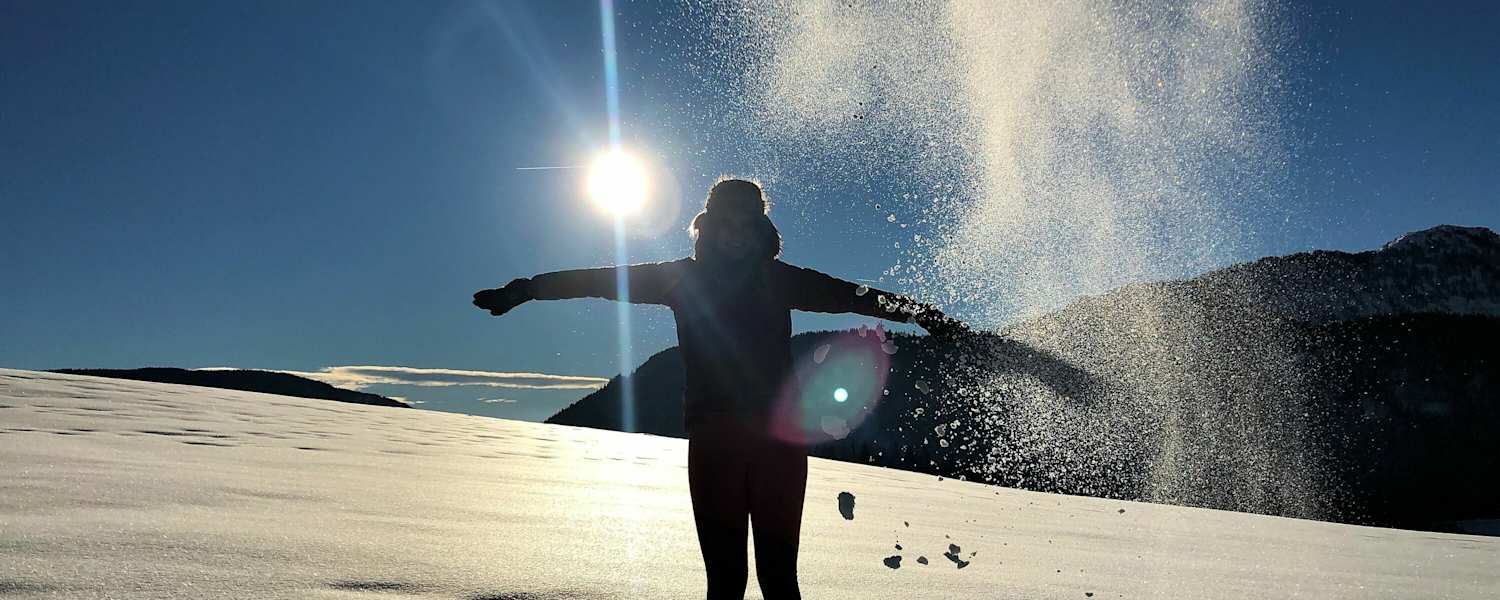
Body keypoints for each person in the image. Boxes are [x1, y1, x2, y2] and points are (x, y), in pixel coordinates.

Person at [472, 178, 966, 600]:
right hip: (714, 443)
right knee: (725, 582)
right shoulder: (677, 279)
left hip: (778, 444)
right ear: (707, 227)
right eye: (726, 223)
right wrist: (527, 288)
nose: (735, 235)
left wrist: (924, 315)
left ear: (761, 231)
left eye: (747, 225)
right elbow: (600, 280)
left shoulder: (782, 280)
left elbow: (854, 297)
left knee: (779, 581)